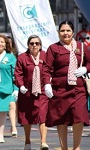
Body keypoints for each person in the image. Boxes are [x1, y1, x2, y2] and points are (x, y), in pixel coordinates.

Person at [43, 21, 90, 150]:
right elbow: (47, 68)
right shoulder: (53, 48)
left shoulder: (81, 47)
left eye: (68, 30)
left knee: (79, 117)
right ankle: (64, 148)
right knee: (61, 118)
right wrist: (47, 84)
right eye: (62, 31)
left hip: (78, 89)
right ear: (59, 33)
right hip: (60, 89)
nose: (65, 33)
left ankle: (77, 147)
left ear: (73, 32)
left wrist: (86, 69)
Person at [14, 35, 49, 150]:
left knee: (43, 115)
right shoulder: (22, 57)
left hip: (43, 91)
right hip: (27, 92)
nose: (34, 45)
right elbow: (18, 73)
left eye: (37, 43)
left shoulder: (46, 56)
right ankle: (27, 140)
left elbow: (51, 70)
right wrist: (21, 85)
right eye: (32, 43)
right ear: (28, 45)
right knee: (27, 117)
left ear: (40, 45)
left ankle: (43, 142)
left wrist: (50, 84)